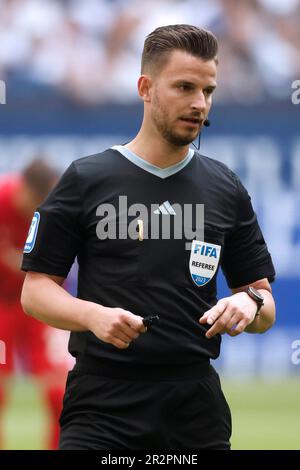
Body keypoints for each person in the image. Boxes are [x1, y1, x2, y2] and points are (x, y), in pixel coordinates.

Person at [20, 25, 276, 450]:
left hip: (195, 408)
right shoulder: (87, 178)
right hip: (102, 406)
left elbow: (264, 305)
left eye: (208, 91)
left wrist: (247, 303)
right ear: (146, 88)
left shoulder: (225, 187)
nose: (199, 103)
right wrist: (92, 316)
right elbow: (35, 291)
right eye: (184, 87)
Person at [0, 159, 69, 449]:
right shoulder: (2, 201)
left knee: (61, 394)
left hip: (39, 305)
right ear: (25, 190)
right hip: (2, 307)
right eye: (36, 201)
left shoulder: (53, 211)